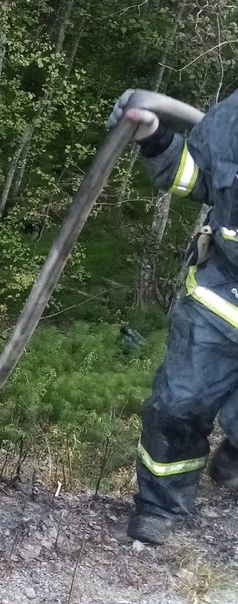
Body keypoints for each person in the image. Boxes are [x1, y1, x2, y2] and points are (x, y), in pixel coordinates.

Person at [109, 89, 238, 545]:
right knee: (177, 407)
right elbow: (195, 176)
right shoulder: (229, 121)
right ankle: (161, 509)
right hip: (221, 297)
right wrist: (154, 136)